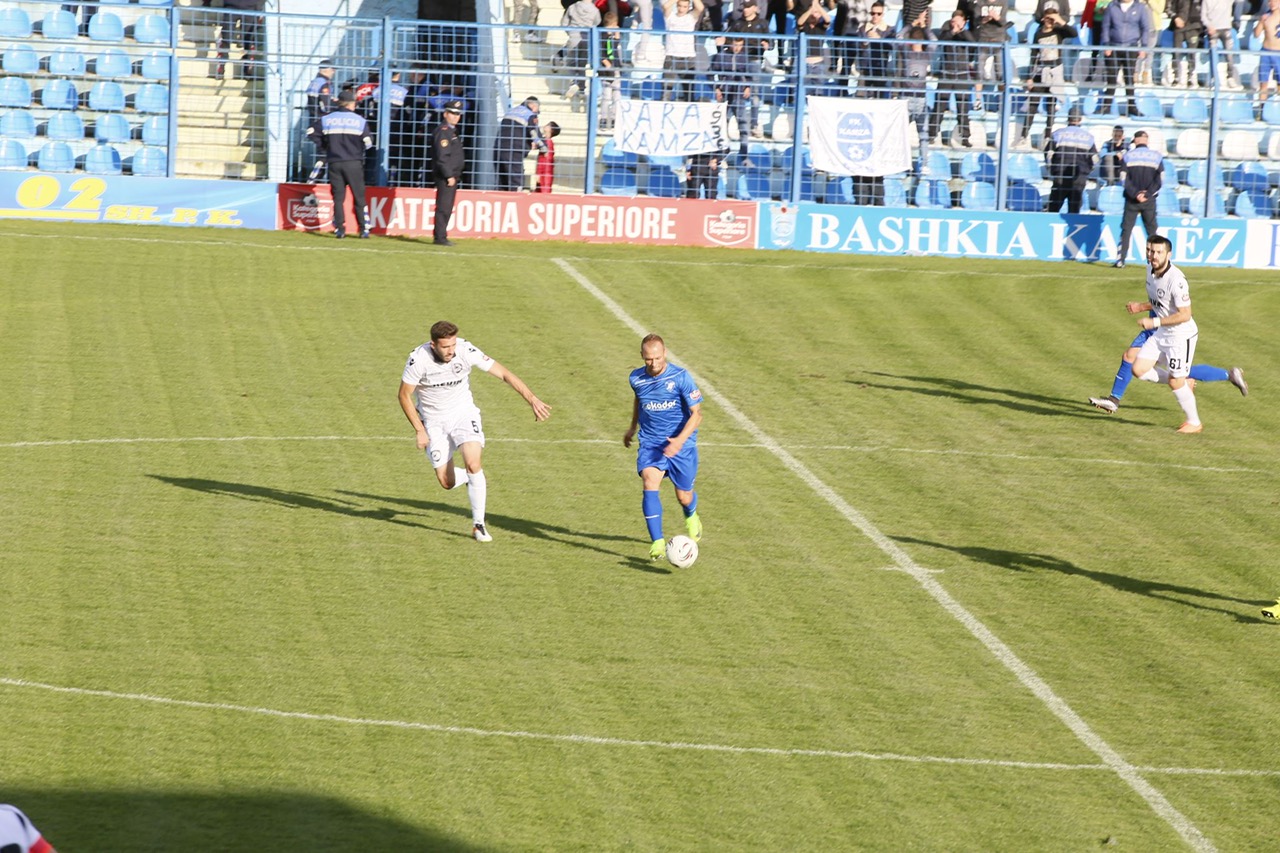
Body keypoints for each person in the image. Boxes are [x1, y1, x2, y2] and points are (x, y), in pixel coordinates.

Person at [398, 321, 552, 542]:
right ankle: (471, 479)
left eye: (453, 344)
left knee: (473, 463)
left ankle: (478, 525)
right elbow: (404, 396)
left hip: (463, 414)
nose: (451, 350)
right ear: (433, 345)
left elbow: (504, 374)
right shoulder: (418, 360)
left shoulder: (465, 350)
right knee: (446, 482)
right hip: (433, 422)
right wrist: (419, 430)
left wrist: (532, 399)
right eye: (445, 347)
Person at [1091, 236, 1206, 432]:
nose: (1153, 256)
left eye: (1158, 252)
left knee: (1174, 381)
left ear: (1168, 254)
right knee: (1138, 369)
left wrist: (1154, 321)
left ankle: (1194, 422)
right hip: (1162, 332)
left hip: (1180, 335)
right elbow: (1159, 301)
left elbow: (1186, 314)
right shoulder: (1149, 270)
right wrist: (1142, 307)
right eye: (1150, 251)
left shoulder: (1177, 280)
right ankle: (1182, 379)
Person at [623, 334, 704, 561]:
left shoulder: (680, 377)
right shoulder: (636, 378)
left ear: (665, 353)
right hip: (651, 442)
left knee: (684, 497)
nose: (654, 363)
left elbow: (697, 415)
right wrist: (631, 427)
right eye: (649, 359)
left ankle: (691, 515)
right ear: (642, 356)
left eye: (657, 358)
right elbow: (640, 400)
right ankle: (657, 542)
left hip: (682, 444)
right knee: (649, 480)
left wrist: (678, 441)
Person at [307, 90, 373, 239]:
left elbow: (310, 132)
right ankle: (363, 229)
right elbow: (368, 143)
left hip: (334, 162)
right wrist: (358, 150)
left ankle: (340, 229)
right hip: (354, 163)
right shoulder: (360, 121)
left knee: (338, 198)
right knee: (359, 197)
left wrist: (325, 146)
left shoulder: (327, 119)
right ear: (351, 104)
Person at [1018, 8, 1078, 147]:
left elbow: (1073, 33)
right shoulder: (1038, 34)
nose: (1049, 22)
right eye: (1047, 18)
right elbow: (1034, 54)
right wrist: (1029, 77)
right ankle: (1023, 135)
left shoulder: (1059, 32)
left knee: (1051, 107)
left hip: (1054, 73)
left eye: (1051, 19)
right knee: (1032, 105)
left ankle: (1047, 136)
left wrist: (1060, 21)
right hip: (1040, 72)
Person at [1114, 129, 1162, 268]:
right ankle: (1157, 262)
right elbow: (1159, 181)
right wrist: (1147, 194)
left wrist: (1136, 194)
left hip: (1131, 199)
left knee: (1127, 229)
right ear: (1147, 140)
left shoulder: (1128, 156)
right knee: (1152, 231)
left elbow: (1123, 178)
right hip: (1149, 200)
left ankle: (1120, 260)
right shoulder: (1156, 157)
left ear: (1135, 140)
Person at [931, 9, 977, 147]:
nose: (955, 24)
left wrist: (961, 31)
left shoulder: (966, 34)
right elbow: (942, 40)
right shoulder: (946, 33)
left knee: (963, 108)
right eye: (953, 21)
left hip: (962, 76)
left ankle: (965, 137)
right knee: (939, 106)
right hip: (947, 75)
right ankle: (932, 134)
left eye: (958, 21)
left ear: (964, 22)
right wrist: (953, 31)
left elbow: (972, 42)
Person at [1099, 0, 1150, 116]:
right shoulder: (1112, 6)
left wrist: (1144, 47)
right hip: (1113, 47)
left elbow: (1145, 28)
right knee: (1111, 78)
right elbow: (1106, 26)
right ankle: (1106, 106)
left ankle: (1132, 106)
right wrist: (1106, 44)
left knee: (1129, 78)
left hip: (1131, 48)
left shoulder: (1140, 8)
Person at [712, 35, 758, 159]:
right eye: (735, 45)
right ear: (730, 44)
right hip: (724, 95)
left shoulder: (745, 57)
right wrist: (716, 88)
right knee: (722, 124)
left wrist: (748, 86)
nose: (737, 48)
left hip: (738, 95)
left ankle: (744, 154)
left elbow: (749, 75)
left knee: (742, 124)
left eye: (740, 45)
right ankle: (721, 153)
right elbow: (711, 73)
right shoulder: (721, 56)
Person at [1043, 107, 1096, 213]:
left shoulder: (1058, 134)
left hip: (1060, 174)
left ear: (1068, 118)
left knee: (1054, 208)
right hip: (1079, 176)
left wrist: (1052, 168)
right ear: (1080, 119)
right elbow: (1094, 159)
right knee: (1074, 210)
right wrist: (1087, 171)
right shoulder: (1088, 137)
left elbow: (1048, 153)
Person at [493, 96, 548, 192]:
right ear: (532, 105)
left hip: (498, 149)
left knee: (501, 182)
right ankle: (515, 202)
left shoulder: (511, 111)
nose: (536, 113)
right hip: (514, 151)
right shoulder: (529, 114)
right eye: (537, 111)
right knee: (516, 182)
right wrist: (544, 147)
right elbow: (534, 132)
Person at [431, 99, 464, 246]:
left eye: (458, 114)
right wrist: (448, 175)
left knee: (447, 207)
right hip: (446, 176)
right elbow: (442, 156)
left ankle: (442, 235)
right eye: (452, 113)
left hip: (452, 175)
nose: (456, 116)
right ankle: (440, 237)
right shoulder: (444, 132)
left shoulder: (451, 131)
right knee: (444, 207)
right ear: (445, 114)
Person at [662, 0, 703, 101]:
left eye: (685, 7)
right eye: (680, 6)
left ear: (688, 7)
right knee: (666, 91)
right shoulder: (670, 17)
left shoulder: (691, 17)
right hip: (671, 56)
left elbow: (700, 8)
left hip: (688, 57)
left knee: (689, 92)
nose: (681, 9)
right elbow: (666, 7)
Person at [1203, 0, 1243, 88]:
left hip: (1226, 29)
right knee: (1213, 54)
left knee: (1229, 54)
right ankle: (1213, 78)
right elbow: (1203, 16)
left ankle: (1230, 77)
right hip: (1213, 30)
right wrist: (1209, 26)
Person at [1169, 0, 1205, 87]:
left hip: (1194, 27)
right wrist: (1176, 18)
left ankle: (1191, 78)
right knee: (1176, 52)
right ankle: (1176, 78)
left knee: (1192, 53)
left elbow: (1206, 8)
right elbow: (1168, 8)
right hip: (1178, 27)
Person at [1256, 0, 1280, 110]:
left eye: (1275, 1)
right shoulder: (1266, 16)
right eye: (1270, 1)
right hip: (1266, 52)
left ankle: (1277, 109)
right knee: (1263, 83)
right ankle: (1261, 109)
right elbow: (1256, 34)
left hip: (1278, 54)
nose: (1272, 3)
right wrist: (1261, 22)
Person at [535, 120, 560, 192]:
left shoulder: (548, 143)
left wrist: (539, 173)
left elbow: (545, 161)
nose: (545, 125)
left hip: (545, 173)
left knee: (543, 192)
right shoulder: (545, 141)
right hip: (544, 173)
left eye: (548, 125)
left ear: (551, 130)